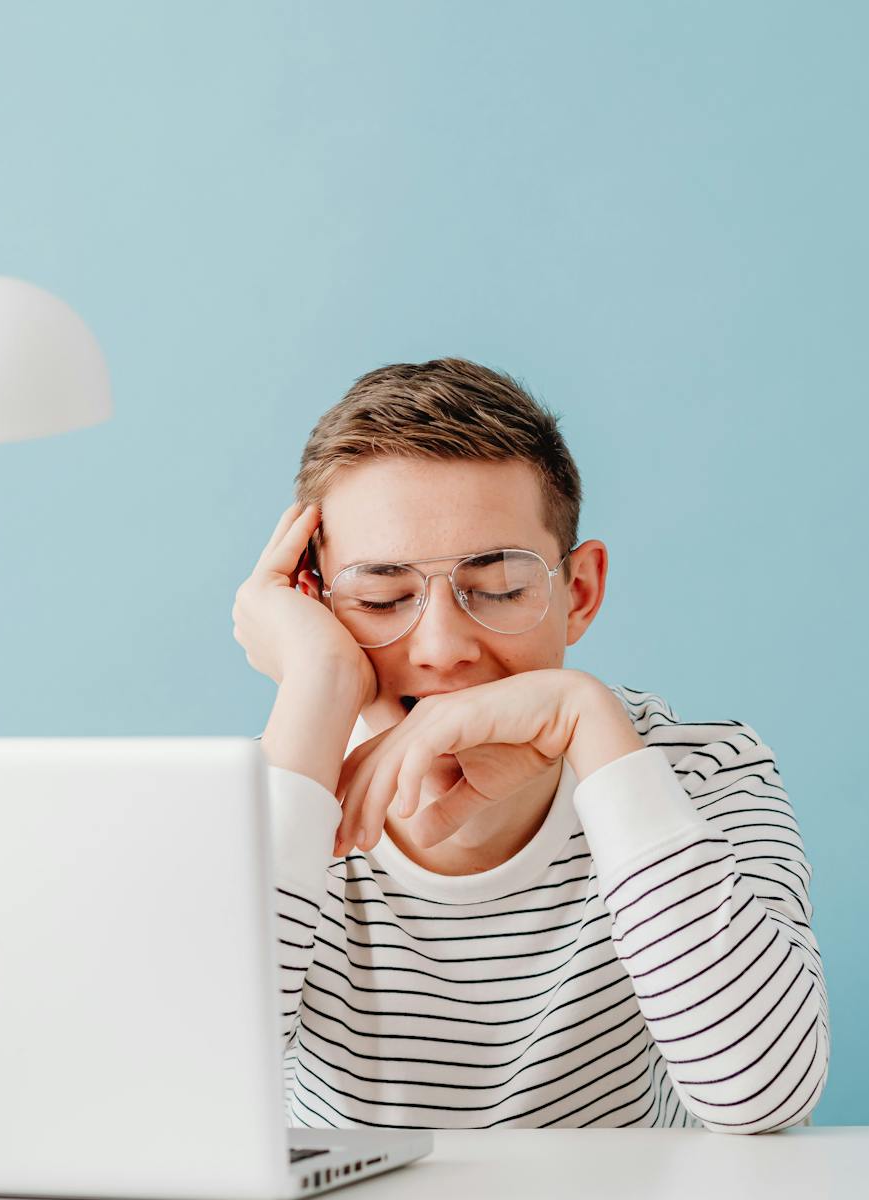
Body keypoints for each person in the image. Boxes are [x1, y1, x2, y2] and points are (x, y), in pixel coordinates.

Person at [230, 358, 828, 1131]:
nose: (443, 648)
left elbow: (762, 1094)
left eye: (502, 587)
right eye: (381, 597)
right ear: (315, 603)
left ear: (577, 593)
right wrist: (315, 681)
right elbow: (189, 1100)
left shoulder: (698, 773)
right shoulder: (270, 794)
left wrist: (586, 715)